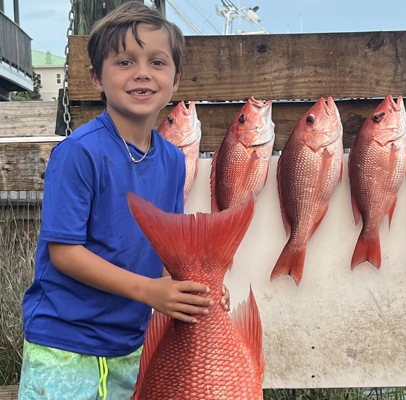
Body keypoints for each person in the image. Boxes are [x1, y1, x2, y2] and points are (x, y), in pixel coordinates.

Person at [19, 2, 228, 399]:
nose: (142, 72)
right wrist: (150, 292)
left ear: (176, 79)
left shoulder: (171, 159)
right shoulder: (79, 152)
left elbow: (166, 248)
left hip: (130, 343)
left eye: (157, 62)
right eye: (125, 62)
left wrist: (195, 287)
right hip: (64, 343)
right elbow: (64, 252)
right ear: (97, 78)